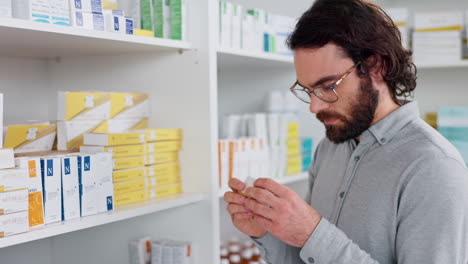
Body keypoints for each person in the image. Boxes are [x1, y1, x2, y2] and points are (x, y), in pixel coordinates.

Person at [223, 0, 468, 263]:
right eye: (307, 91)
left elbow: (314, 240)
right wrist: (268, 232)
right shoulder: (329, 148)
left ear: (376, 66)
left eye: (328, 86)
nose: (315, 106)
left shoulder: (434, 167)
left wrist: (313, 234)